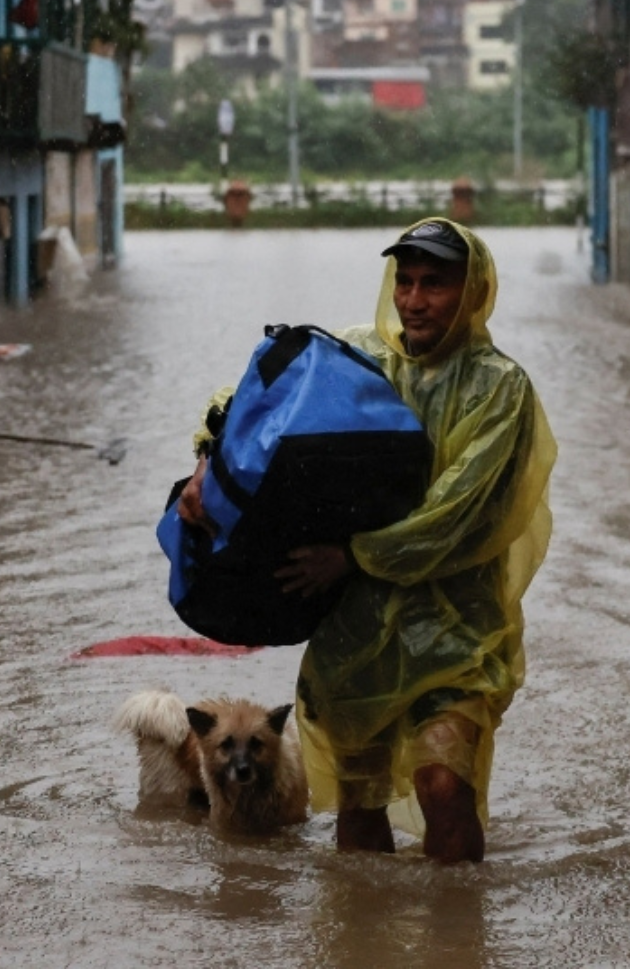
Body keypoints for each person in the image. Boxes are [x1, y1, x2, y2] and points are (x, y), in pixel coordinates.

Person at [179, 218, 556, 863]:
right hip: (355, 631)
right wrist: (208, 458)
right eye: (405, 282)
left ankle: (458, 939)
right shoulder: (360, 358)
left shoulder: (500, 388)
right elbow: (250, 399)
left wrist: (351, 555)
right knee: (358, 804)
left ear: (474, 292)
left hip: (455, 631)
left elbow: (455, 516)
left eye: (434, 284)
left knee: (443, 786)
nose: (414, 300)